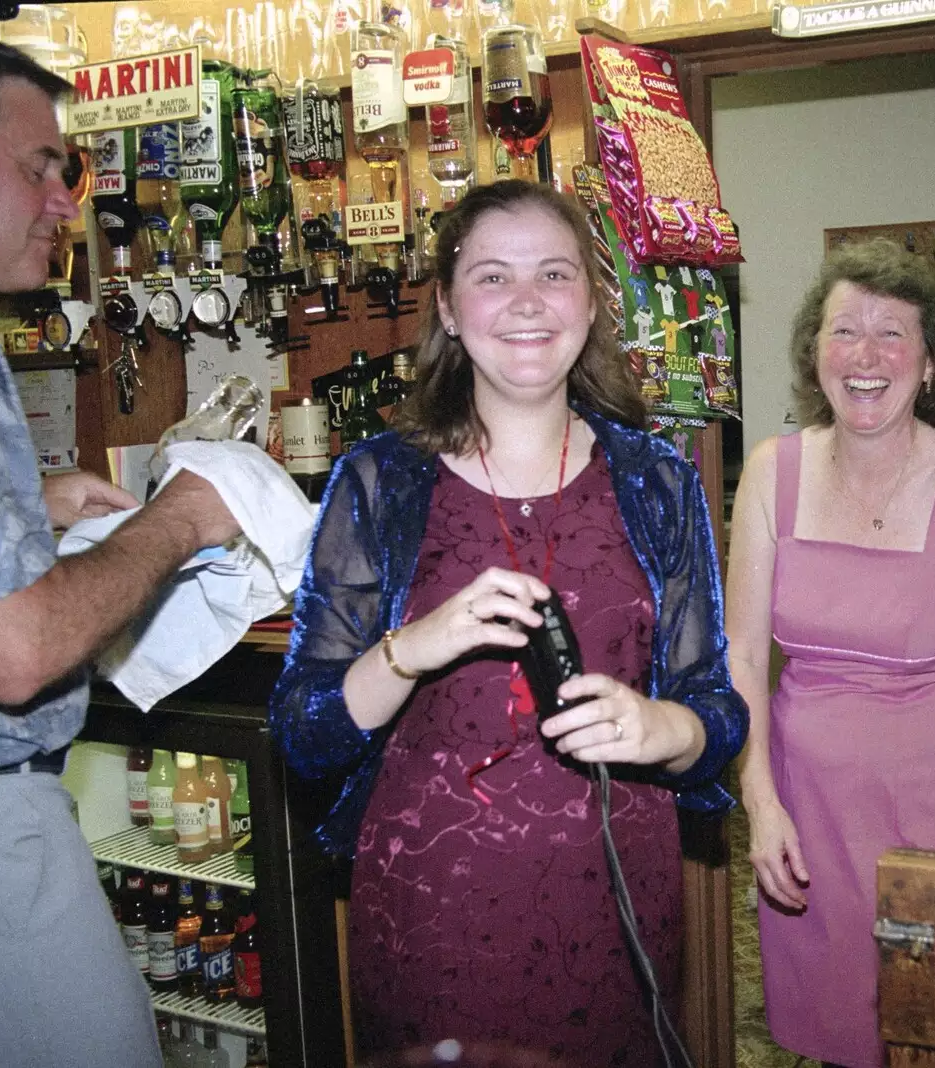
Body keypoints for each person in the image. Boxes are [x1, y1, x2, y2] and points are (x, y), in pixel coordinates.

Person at [270, 180, 747, 1064]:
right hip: (434, 918)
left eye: (554, 274)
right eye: (492, 277)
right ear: (448, 309)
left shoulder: (659, 481)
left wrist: (660, 725)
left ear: (591, 301)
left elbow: (717, 718)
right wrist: (410, 650)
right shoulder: (379, 483)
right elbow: (304, 734)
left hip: (618, 913)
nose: (527, 302)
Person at [0, 32, 240, 1068]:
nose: (68, 201)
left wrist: (26, 505)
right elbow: (14, 652)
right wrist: (183, 519)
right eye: (40, 166)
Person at [724, 239, 935, 1068]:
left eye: (892, 334)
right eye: (843, 331)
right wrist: (760, 809)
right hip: (806, 820)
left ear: (930, 363)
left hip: (932, 827)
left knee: (928, 1038)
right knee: (833, 1044)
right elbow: (744, 661)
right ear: (814, 354)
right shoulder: (769, 472)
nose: (865, 357)